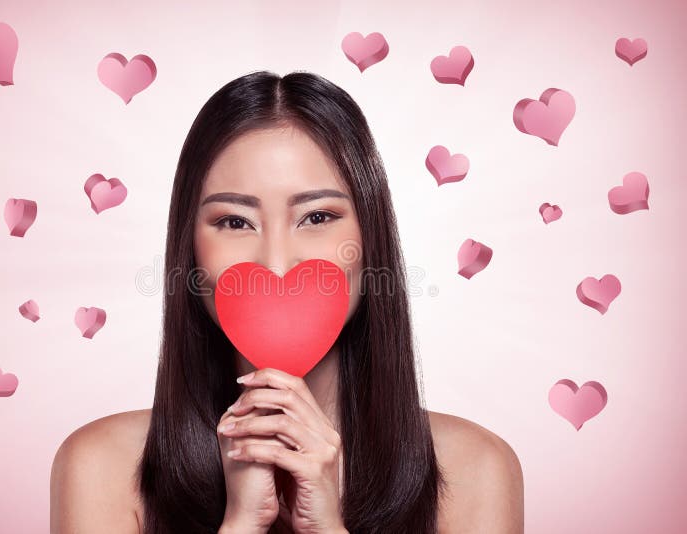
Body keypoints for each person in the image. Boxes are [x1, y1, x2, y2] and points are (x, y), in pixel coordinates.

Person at [50, 70, 524, 534]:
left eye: (317, 216)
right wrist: (239, 526)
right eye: (235, 222)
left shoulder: (475, 471)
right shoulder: (101, 468)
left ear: (370, 239)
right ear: (189, 250)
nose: (276, 265)